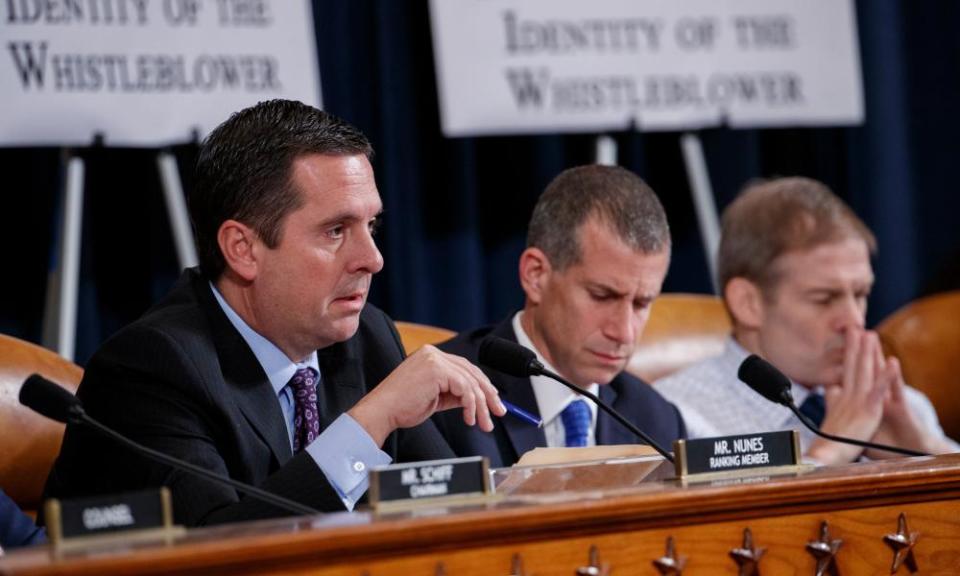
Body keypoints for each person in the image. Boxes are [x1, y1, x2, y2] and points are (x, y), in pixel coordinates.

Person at [43, 100, 505, 526]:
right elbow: (222, 549)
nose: (373, 258)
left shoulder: (366, 338)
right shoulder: (151, 368)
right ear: (243, 249)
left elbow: (452, 511)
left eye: (372, 225)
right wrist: (372, 421)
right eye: (336, 231)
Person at [655, 177, 958, 464]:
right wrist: (831, 451)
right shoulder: (678, 418)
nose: (854, 321)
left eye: (861, 294)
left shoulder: (901, 405)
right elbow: (741, 520)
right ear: (748, 303)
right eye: (824, 299)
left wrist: (929, 453)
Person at [432, 165, 686, 467]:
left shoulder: (655, 420)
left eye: (642, 303)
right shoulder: (441, 398)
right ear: (536, 275)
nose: (625, 333)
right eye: (602, 296)